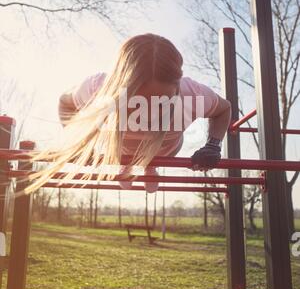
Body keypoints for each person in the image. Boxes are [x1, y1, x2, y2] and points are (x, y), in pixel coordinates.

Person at [25, 33, 232, 195]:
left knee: (155, 154)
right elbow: (65, 103)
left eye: (161, 102)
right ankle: (126, 167)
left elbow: (224, 109)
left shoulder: (191, 94)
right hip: (120, 147)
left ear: (177, 88)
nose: (149, 115)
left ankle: (149, 168)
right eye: (136, 102)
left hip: (166, 148)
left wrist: (212, 145)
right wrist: (78, 143)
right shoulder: (98, 89)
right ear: (118, 86)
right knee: (123, 154)